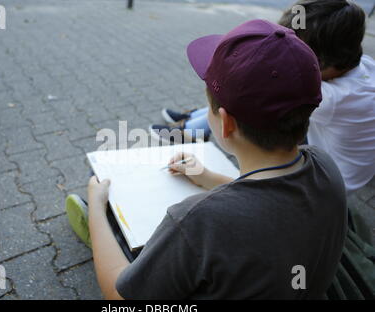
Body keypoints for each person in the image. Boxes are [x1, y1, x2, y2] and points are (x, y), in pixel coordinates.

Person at [66, 19, 347, 299]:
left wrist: (97, 211)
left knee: (132, 248)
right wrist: (210, 178)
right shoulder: (325, 165)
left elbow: (118, 299)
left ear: (225, 123)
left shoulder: (197, 220)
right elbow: (273, 202)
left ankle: (105, 230)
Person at [150, 0, 375, 194]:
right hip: (335, 162)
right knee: (238, 88)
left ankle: (191, 129)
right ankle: (192, 126)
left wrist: (206, 176)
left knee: (239, 89)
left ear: (316, 63)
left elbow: (260, 194)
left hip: (331, 184)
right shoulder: (363, 65)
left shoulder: (334, 99)